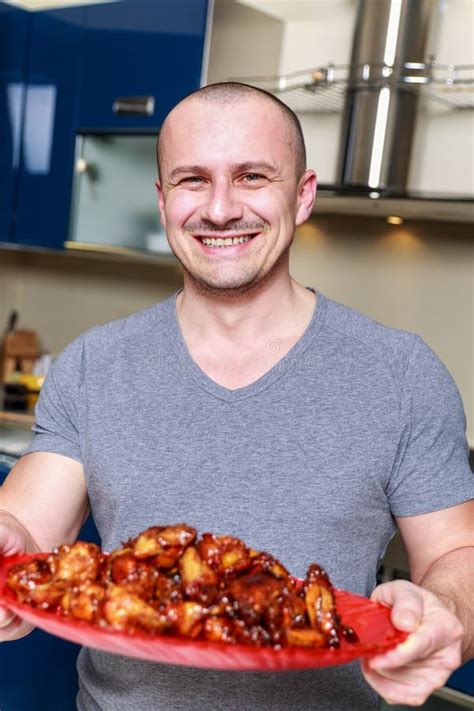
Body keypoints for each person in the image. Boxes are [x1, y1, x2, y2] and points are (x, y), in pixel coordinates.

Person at [0, 82, 473, 710]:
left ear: (302, 196)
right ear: (163, 199)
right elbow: (28, 530)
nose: (220, 210)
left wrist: (443, 608)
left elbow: (457, 553)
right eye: (193, 180)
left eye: (252, 176)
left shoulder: (402, 372)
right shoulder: (94, 362)